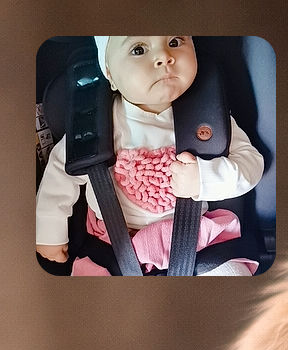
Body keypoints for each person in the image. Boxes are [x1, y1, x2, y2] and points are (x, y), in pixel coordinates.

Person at [35, 36, 264, 276]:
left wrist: (205, 180)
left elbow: (251, 163)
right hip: (111, 246)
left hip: (196, 238)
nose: (164, 56)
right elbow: (60, 174)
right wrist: (49, 231)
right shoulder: (94, 125)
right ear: (110, 75)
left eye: (175, 42)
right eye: (138, 49)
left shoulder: (209, 117)